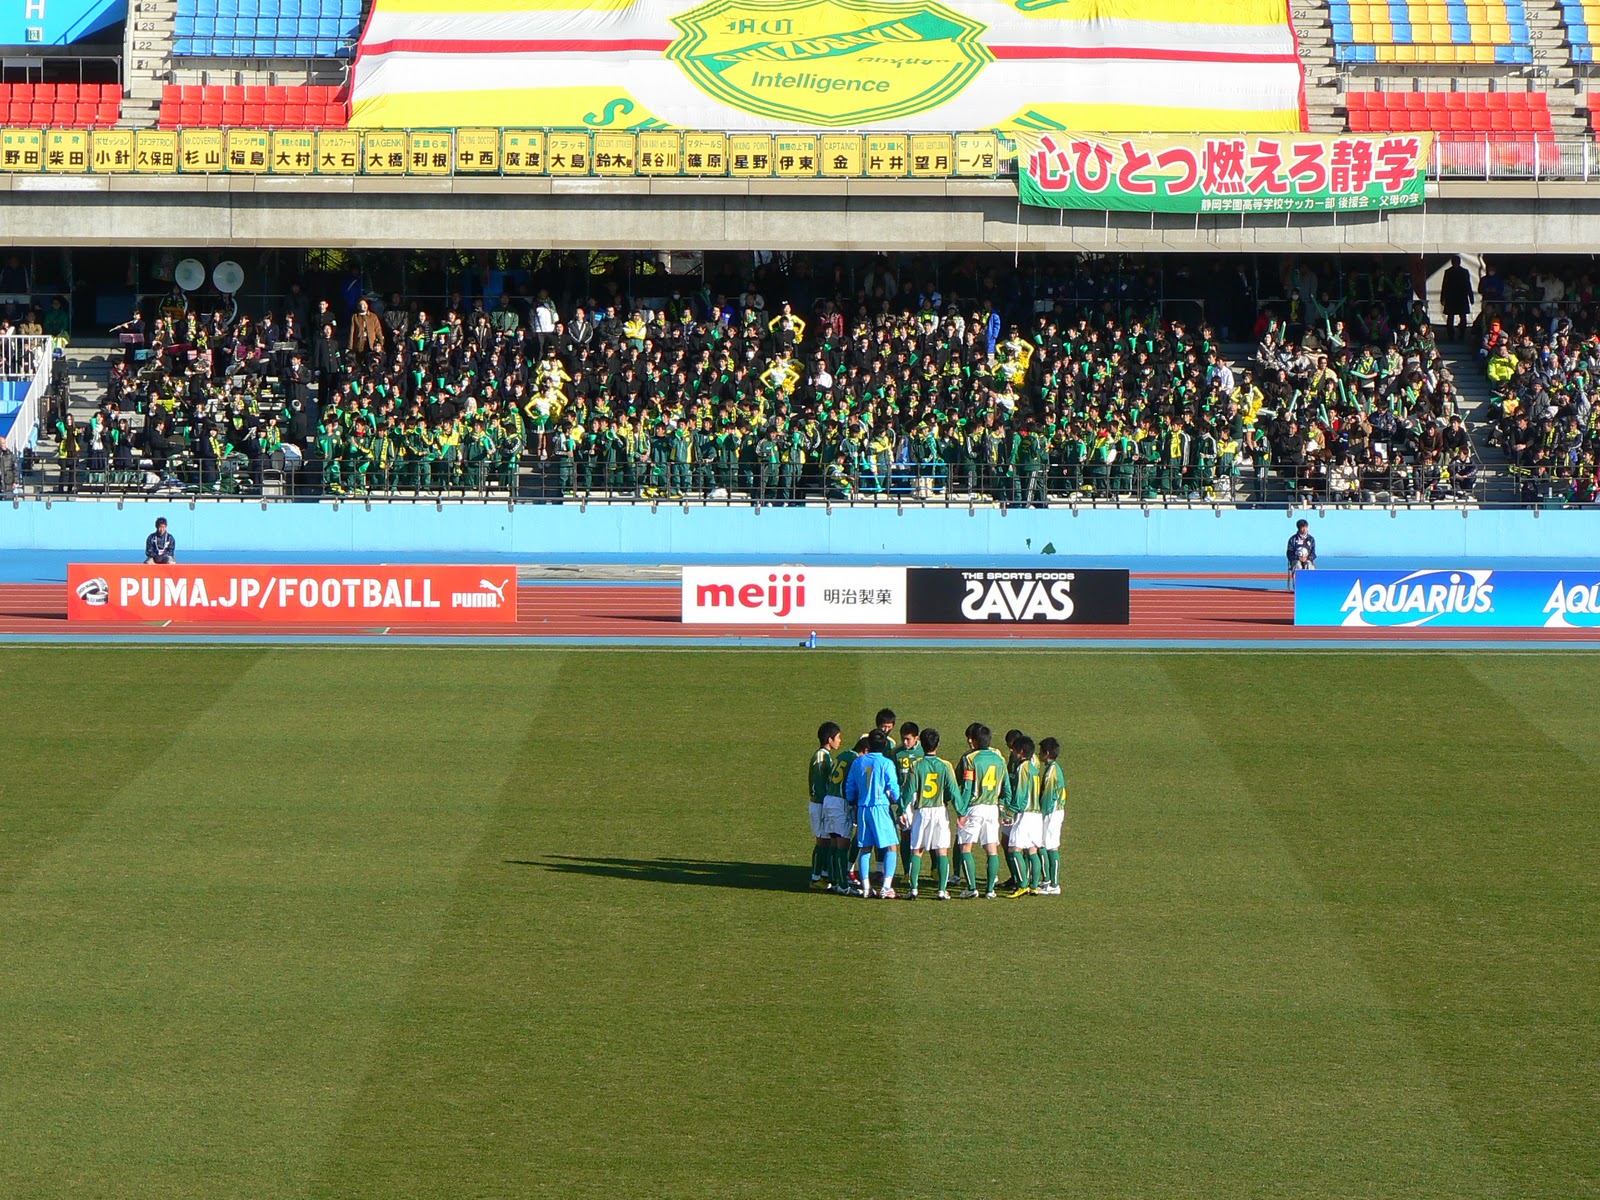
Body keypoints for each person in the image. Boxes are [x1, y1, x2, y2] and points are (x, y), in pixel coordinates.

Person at [844, 728, 902, 899]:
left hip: (863, 808)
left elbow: (850, 786)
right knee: (891, 846)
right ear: (884, 745)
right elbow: (894, 787)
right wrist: (899, 800)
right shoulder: (886, 763)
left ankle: (867, 887)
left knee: (865, 848)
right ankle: (886, 887)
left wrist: (852, 800)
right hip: (880, 808)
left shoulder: (858, 762)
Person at [955, 723, 1012, 899]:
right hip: (992, 808)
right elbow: (1007, 788)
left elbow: (967, 788)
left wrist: (961, 810)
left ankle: (972, 888)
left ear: (974, 740)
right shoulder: (1000, 759)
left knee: (966, 847)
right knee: (991, 848)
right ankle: (990, 890)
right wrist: (1004, 810)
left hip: (975, 807)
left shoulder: (971, 759)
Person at [905, 728, 960, 900]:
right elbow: (953, 791)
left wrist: (900, 809)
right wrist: (961, 811)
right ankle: (942, 890)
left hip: (922, 811)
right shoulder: (946, 765)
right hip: (940, 810)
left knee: (917, 850)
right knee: (941, 851)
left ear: (921, 742)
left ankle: (913, 889)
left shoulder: (916, 765)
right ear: (938, 744)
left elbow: (908, 791)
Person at [1002, 734, 1043, 896]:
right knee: (1032, 849)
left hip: (1025, 814)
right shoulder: (1033, 768)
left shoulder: (1022, 768)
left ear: (1021, 751)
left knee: (1013, 849)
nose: (1012, 753)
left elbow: (1020, 794)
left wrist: (1009, 812)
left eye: (1014, 750)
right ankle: (1034, 885)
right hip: (1036, 813)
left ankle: (1022, 884)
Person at [809, 722, 841, 891]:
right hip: (820, 803)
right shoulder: (822, 757)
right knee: (822, 841)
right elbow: (820, 783)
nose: (840, 741)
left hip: (821, 803)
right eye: (838, 738)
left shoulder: (825, 755)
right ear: (830, 739)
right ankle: (815, 878)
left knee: (826, 840)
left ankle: (822, 873)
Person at [1037, 737, 1067, 896]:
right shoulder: (1053, 768)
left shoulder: (1052, 772)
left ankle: (1053, 883)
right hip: (1056, 811)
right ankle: (1048, 880)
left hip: (1052, 812)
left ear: (1046, 753)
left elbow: (1048, 797)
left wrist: (1041, 815)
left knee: (1047, 845)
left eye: (1040, 751)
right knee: (1047, 845)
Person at [1440, 255, 1474, 342]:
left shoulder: (1459, 272)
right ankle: (1452, 335)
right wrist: (1442, 297)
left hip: (1459, 297)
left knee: (1461, 317)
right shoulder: (1451, 272)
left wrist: (1471, 297)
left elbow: (1468, 285)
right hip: (1454, 297)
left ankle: (1461, 334)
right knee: (1452, 317)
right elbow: (1444, 285)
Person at [1286, 518, 1317, 591]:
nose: (1305, 529)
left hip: (1307, 559)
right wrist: (1298, 558)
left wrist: (1308, 558)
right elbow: (1289, 554)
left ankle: (1309, 586)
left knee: (1308, 565)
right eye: (1303, 527)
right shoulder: (1292, 539)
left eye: (1306, 527)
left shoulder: (1311, 539)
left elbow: (1314, 554)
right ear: (1299, 528)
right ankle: (1298, 588)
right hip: (1296, 560)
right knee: (1297, 565)